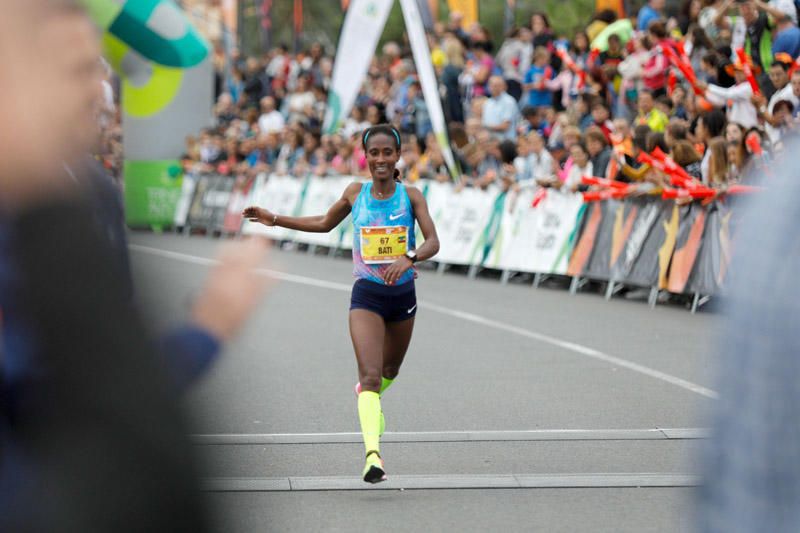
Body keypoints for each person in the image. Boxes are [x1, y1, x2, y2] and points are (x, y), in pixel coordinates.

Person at [243, 124, 440, 483]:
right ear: (365, 158)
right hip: (366, 294)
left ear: (398, 156)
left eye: (387, 153)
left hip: (403, 297)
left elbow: (433, 242)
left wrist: (409, 256)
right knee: (369, 377)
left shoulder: (411, 196)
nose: (380, 159)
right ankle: (372, 456)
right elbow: (323, 223)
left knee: (388, 372)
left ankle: (371, 397)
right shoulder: (355, 192)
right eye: (374, 153)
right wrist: (275, 219)